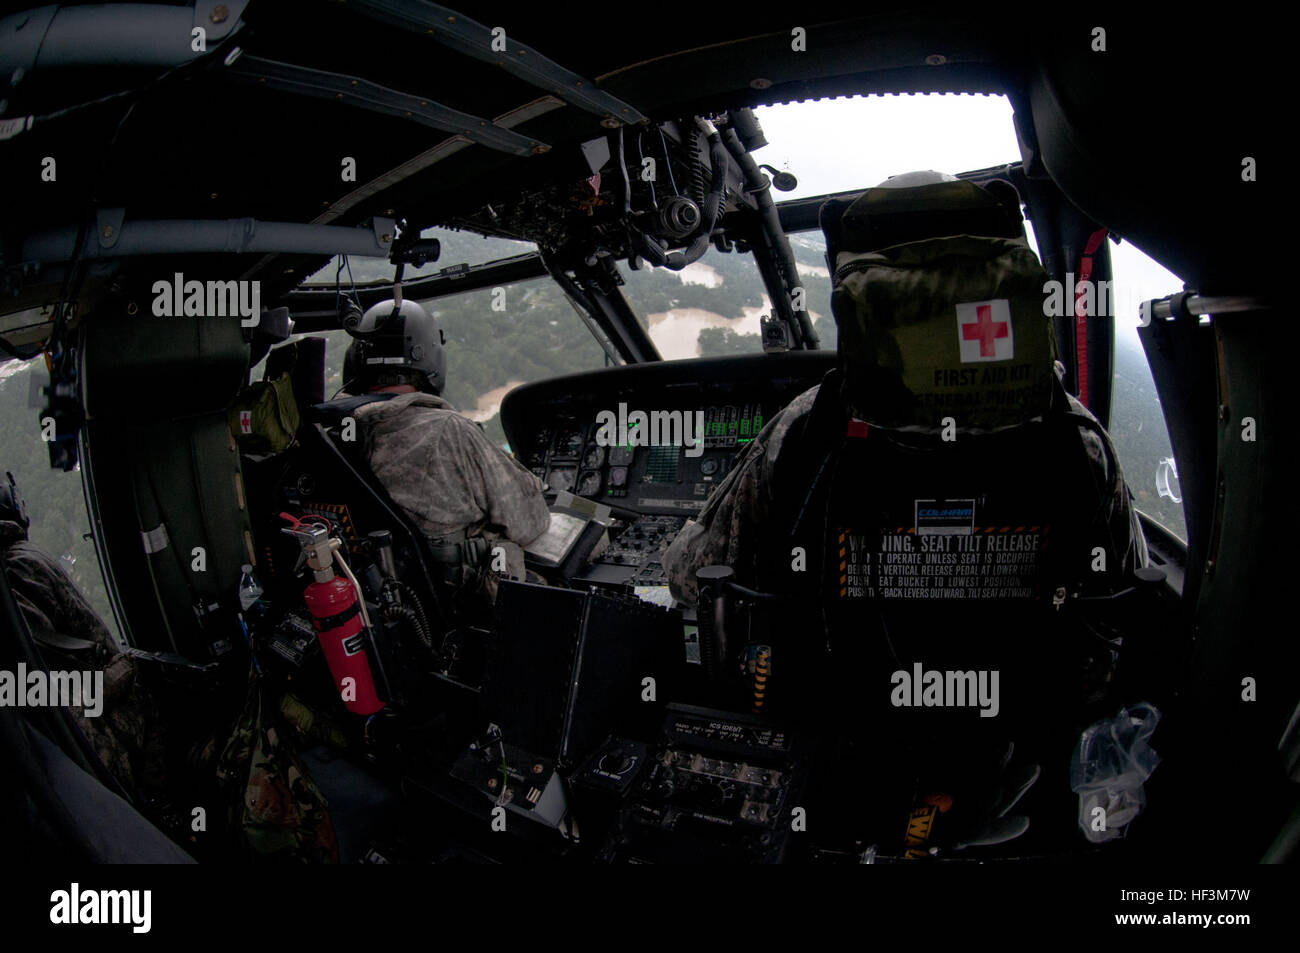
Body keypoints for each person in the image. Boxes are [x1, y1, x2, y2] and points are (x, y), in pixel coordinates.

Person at [664, 171, 1148, 607]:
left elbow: (688, 579)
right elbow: (1123, 589)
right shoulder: (1076, 439)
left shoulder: (808, 427)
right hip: (1030, 702)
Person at [342, 297, 550, 601]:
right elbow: (530, 521)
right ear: (432, 359)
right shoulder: (447, 430)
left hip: (382, 600)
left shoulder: (334, 432)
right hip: (453, 604)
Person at [0, 470, 165, 798]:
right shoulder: (17, 567)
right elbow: (48, 685)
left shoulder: (17, 562)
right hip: (106, 740)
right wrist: (120, 674)